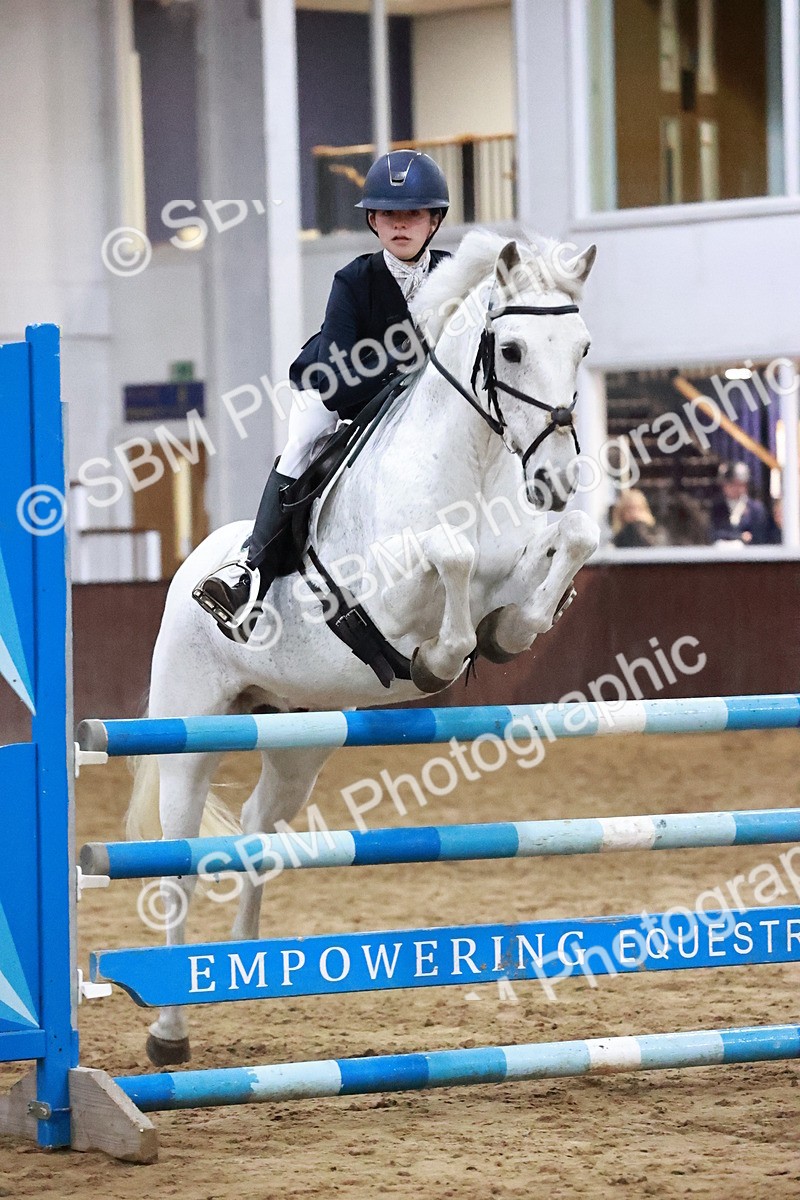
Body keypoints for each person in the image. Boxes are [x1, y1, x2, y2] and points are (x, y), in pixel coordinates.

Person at [194, 150, 451, 638]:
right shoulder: (353, 280)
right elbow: (340, 371)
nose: (401, 225)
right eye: (389, 215)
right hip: (335, 387)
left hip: (416, 402)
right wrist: (403, 388)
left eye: (413, 214)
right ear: (373, 221)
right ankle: (250, 572)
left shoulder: (454, 275)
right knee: (305, 438)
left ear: (434, 221)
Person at [710, 462, 769, 545]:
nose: (734, 489)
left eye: (738, 484)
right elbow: (713, 533)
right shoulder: (717, 507)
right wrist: (739, 537)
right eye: (730, 484)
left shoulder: (756, 509)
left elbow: (761, 536)